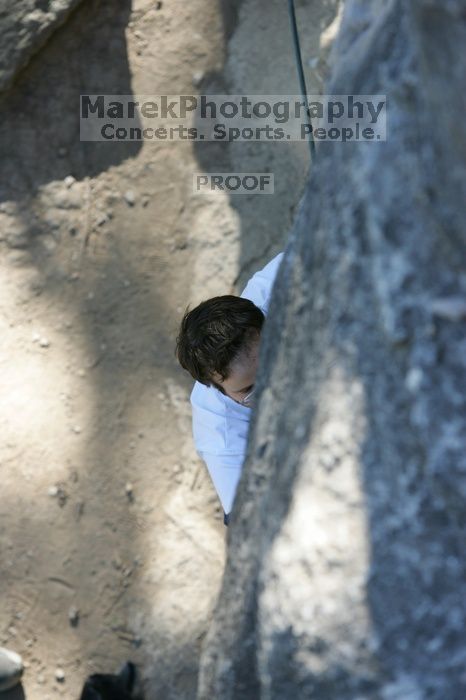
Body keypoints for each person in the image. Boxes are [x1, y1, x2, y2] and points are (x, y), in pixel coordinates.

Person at [175, 252, 284, 525]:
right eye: (251, 389)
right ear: (216, 388)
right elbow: (250, 525)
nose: (273, 387)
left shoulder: (279, 286)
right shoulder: (223, 440)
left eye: (272, 360)